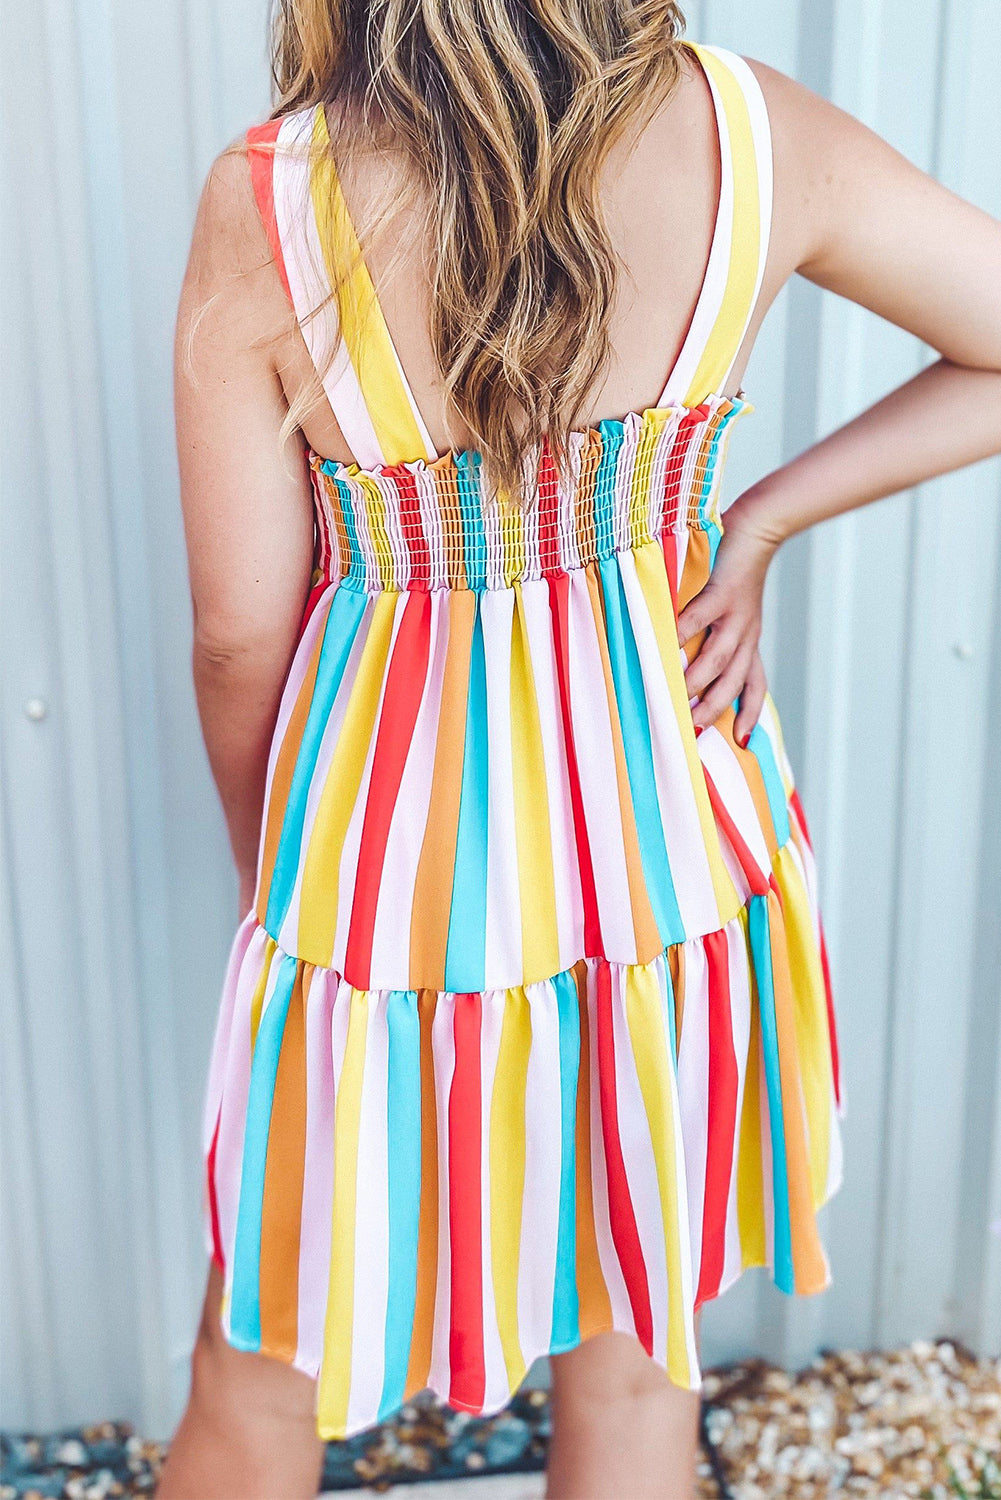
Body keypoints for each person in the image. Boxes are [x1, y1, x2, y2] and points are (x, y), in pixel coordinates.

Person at [158, 3, 1001, 1496]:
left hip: (386, 882)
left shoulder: (275, 190)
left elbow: (237, 634)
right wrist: (758, 518)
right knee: (631, 1347)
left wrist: (274, 876)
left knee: (264, 1362)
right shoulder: (748, 128)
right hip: (669, 853)